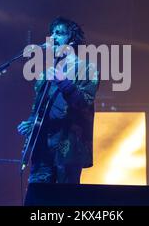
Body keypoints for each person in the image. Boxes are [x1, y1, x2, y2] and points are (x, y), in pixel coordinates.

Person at [17, 17, 99, 184]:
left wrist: (63, 81)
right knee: (37, 195)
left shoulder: (86, 68)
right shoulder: (45, 72)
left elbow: (84, 102)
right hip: (43, 146)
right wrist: (32, 123)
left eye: (60, 33)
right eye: (52, 33)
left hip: (69, 146)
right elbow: (38, 108)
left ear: (72, 39)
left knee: (64, 198)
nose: (53, 37)